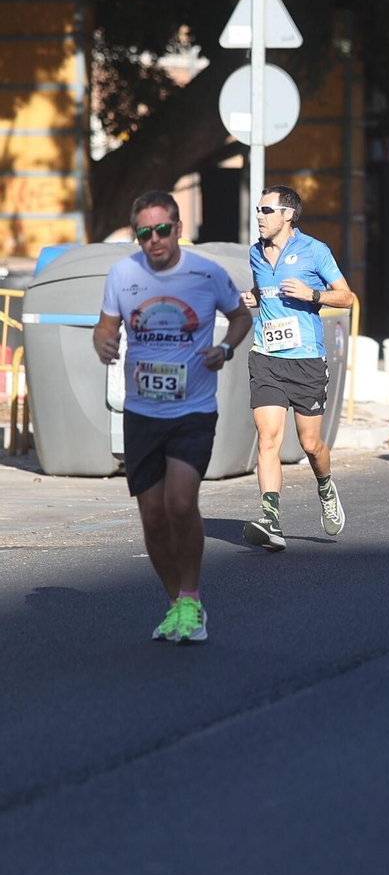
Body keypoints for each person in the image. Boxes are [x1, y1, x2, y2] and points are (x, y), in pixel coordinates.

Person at [94, 191, 253, 643]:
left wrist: (224, 348)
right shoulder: (123, 274)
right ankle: (178, 604)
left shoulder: (206, 273)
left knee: (180, 503)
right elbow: (106, 325)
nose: (154, 239)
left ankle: (192, 596)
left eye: (162, 229)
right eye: (144, 232)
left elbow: (240, 316)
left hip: (193, 409)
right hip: (142, 412)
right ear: (136, 235)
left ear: (179, 229)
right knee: (152, 517)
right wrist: (103, 342)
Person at [240, 185, 355, 551]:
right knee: (268, 438)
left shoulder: (314, 251)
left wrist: (313, 295)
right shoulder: (255, 254)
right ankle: (270, 519)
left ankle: (325, 486)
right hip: (267, 357)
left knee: (310, 443)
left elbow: (348, 297)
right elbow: (267, 290)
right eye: (258, 210)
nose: (259, 216)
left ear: (288, 215)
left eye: (267, 210)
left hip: (306, 360)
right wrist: (254, 297)